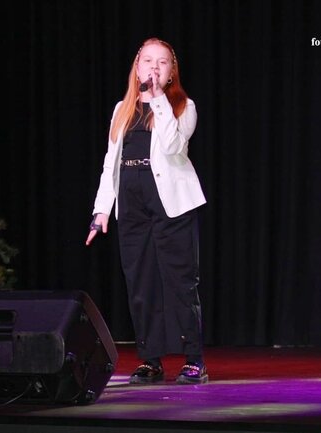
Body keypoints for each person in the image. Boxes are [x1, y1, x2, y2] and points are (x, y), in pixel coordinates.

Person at [86, 38, 208, 385]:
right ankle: (151, 360)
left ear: (171, 73)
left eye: (162, 62)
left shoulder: (183, 106)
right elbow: (111, 162)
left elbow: (172, 146)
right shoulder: (121, 109)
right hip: (132, 203)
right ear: (137, 67)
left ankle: (194, 359)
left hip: (171, 203)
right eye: (148, 61)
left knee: (180, 282)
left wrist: (158, 100)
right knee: (141, 283)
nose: (154, 67)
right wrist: (101, 210)